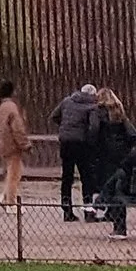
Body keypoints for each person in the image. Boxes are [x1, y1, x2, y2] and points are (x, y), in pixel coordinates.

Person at [85, 90, 136, 234]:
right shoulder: (119, 112)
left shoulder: (97, 112)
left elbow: (94, 130)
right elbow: (133, 134)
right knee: (117, 188)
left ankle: (116, 224)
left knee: (108, 184)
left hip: (104, 154)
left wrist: (92, 144)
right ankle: (117, 222)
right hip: (121, 155)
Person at [54, 80, 100, 221]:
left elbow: (54, 116)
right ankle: (88, 212)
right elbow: (94, 127)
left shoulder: (67, 101)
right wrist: (91, 141)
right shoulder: (93, 106)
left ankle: (67, 212)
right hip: (82, 144)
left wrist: (65, 128)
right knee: (86, 178)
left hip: (65, 142)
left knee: (67, 177)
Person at [0, 77, 30, 213]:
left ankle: (4, 196)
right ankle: (11, 203)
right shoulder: (12, 107)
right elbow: (17, 128)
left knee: (12, 172)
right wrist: (25, 144)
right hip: (12, 145)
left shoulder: (0, 106)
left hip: (3, 144)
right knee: (14, 174)